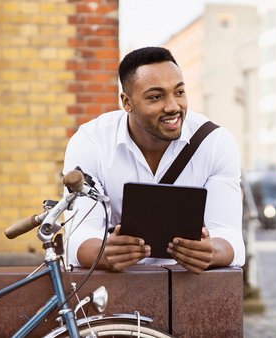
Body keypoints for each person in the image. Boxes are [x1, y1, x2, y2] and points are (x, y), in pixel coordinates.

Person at [62, 47, 244, 274]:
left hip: (186, 286)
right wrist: (103, 253)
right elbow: (78, 234)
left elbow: (229, 234)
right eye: (156, 97)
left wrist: (211, 252)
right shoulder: (91, 141)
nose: (173, 107)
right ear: (127, 103)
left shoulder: (214, 142)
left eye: (179, 92)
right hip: (114, 288)